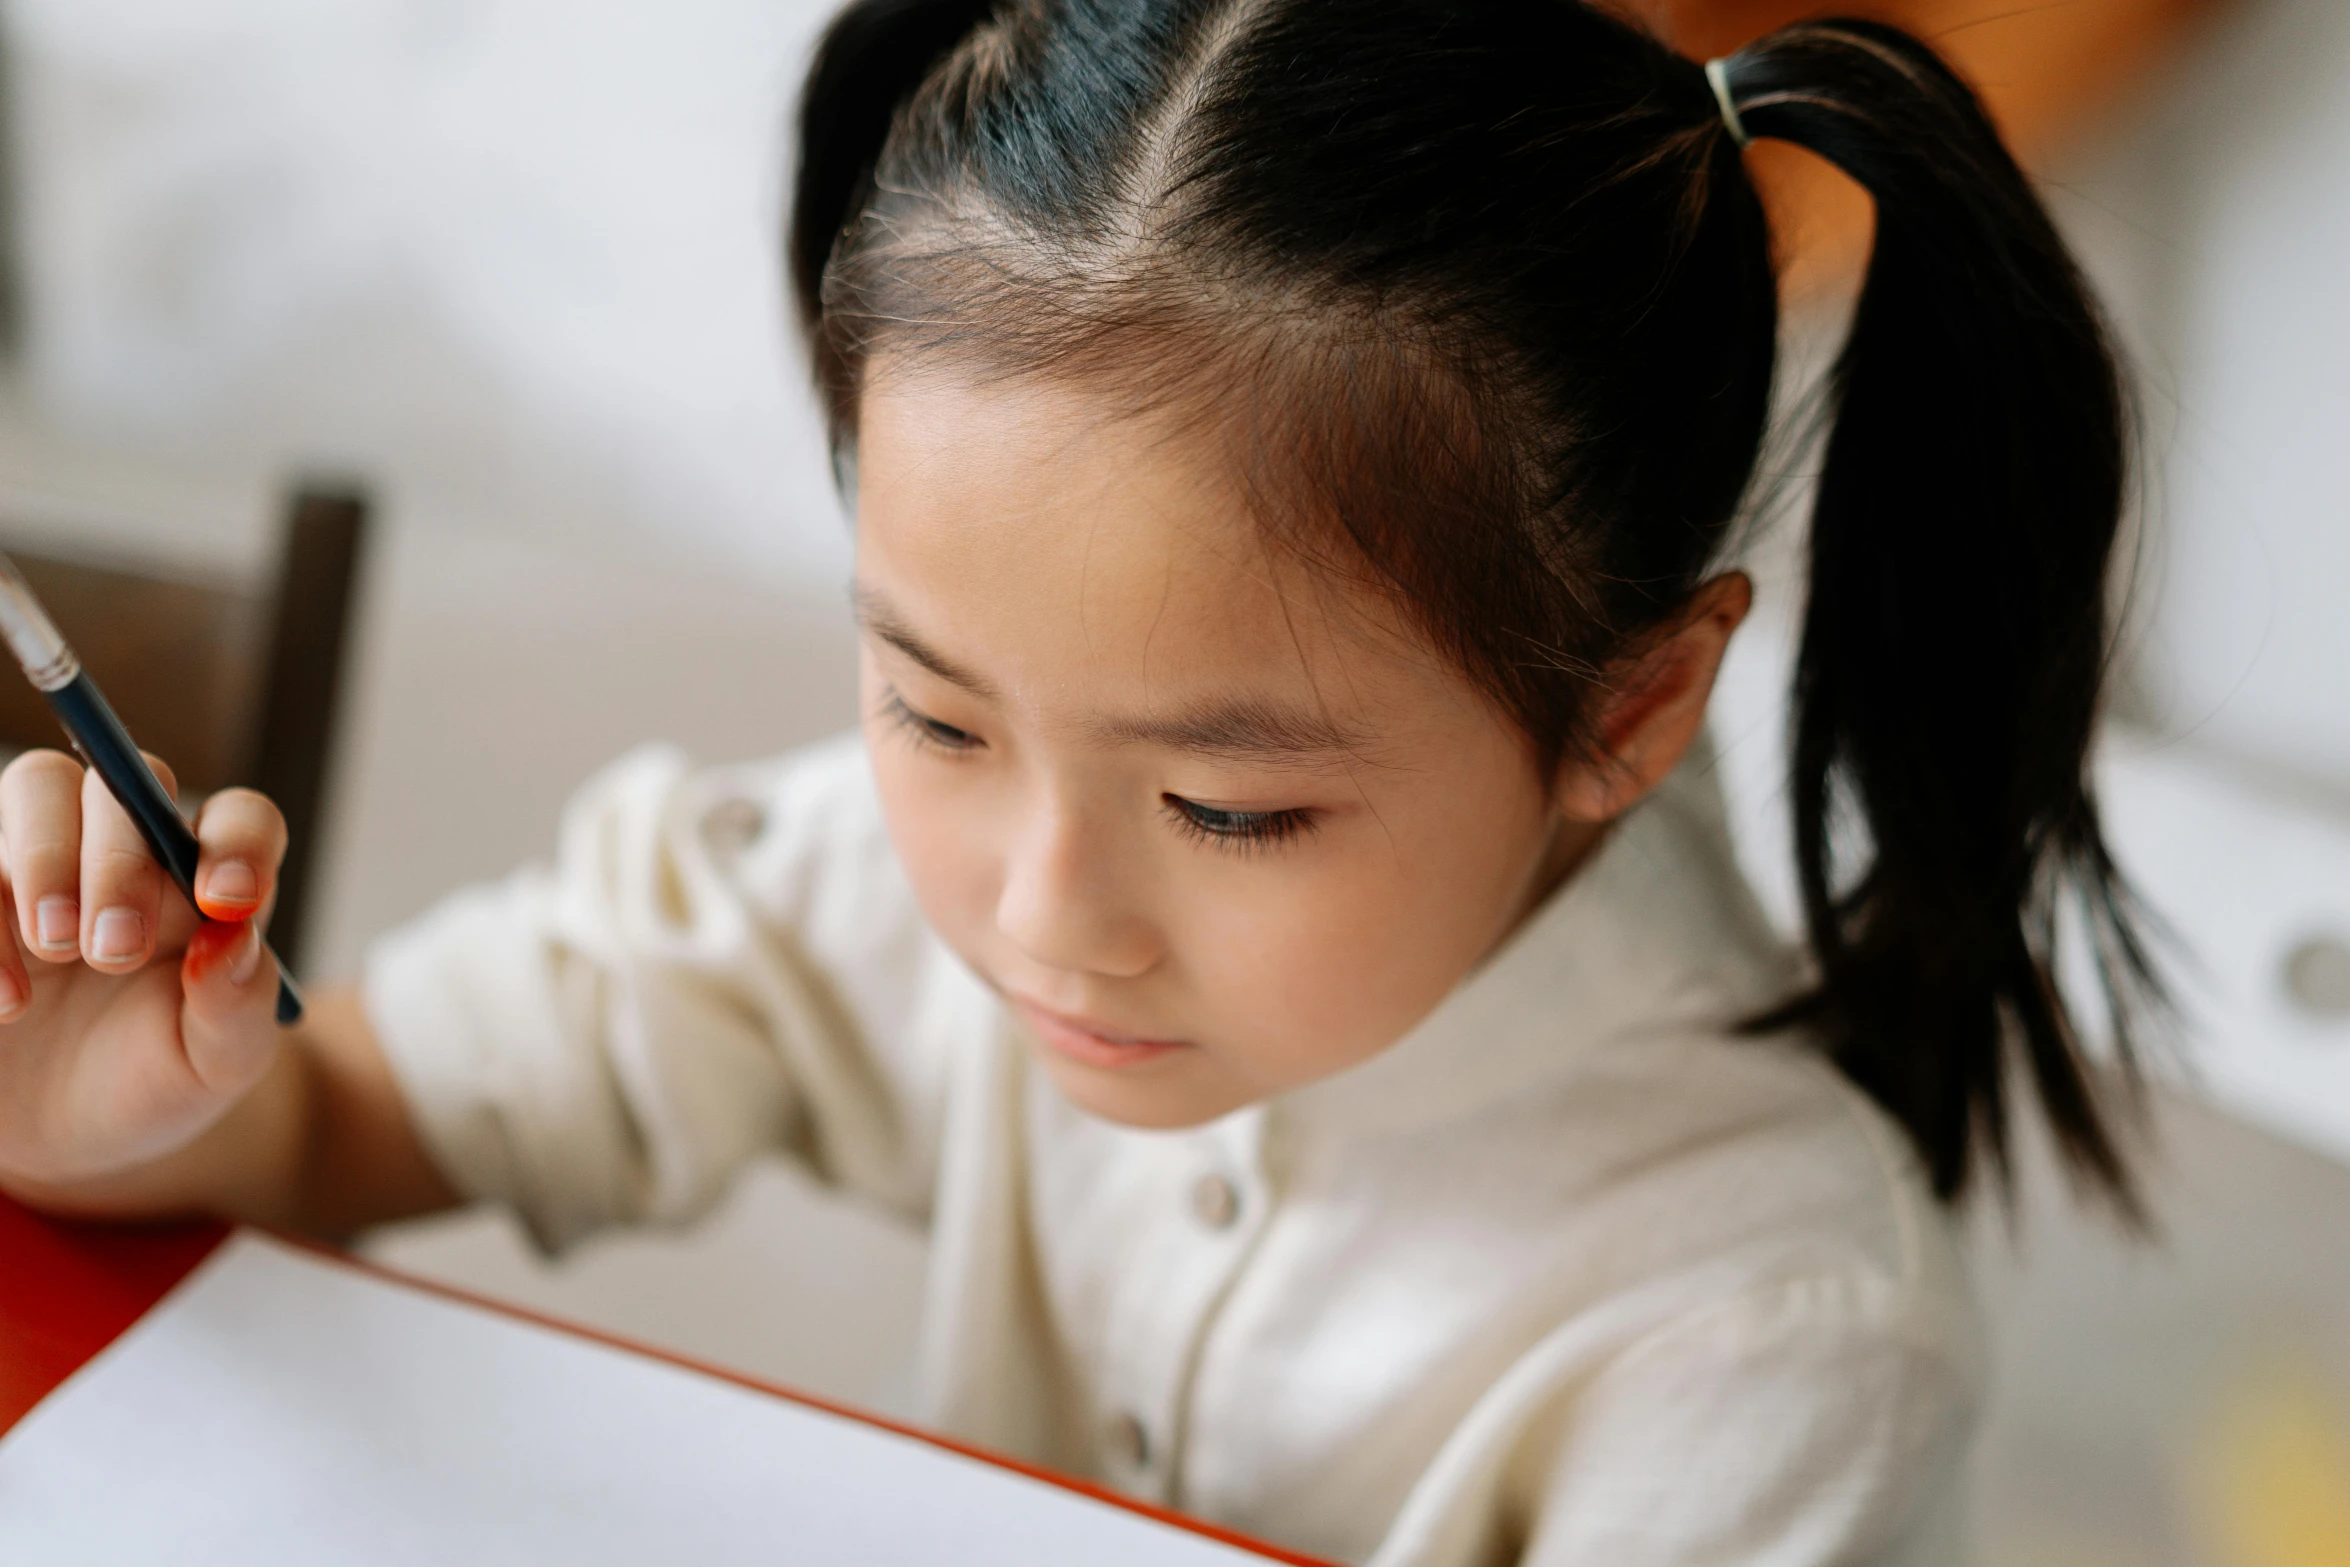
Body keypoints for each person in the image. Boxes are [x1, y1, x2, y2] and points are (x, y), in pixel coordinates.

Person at [0, 1, 2159, 1561]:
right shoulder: (904, 884)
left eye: (1228, 810)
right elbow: (364, 1118)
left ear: (1624, 706)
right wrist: (126, 1113)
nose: (1039, 910)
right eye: (933, 709)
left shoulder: (1770, 1342)